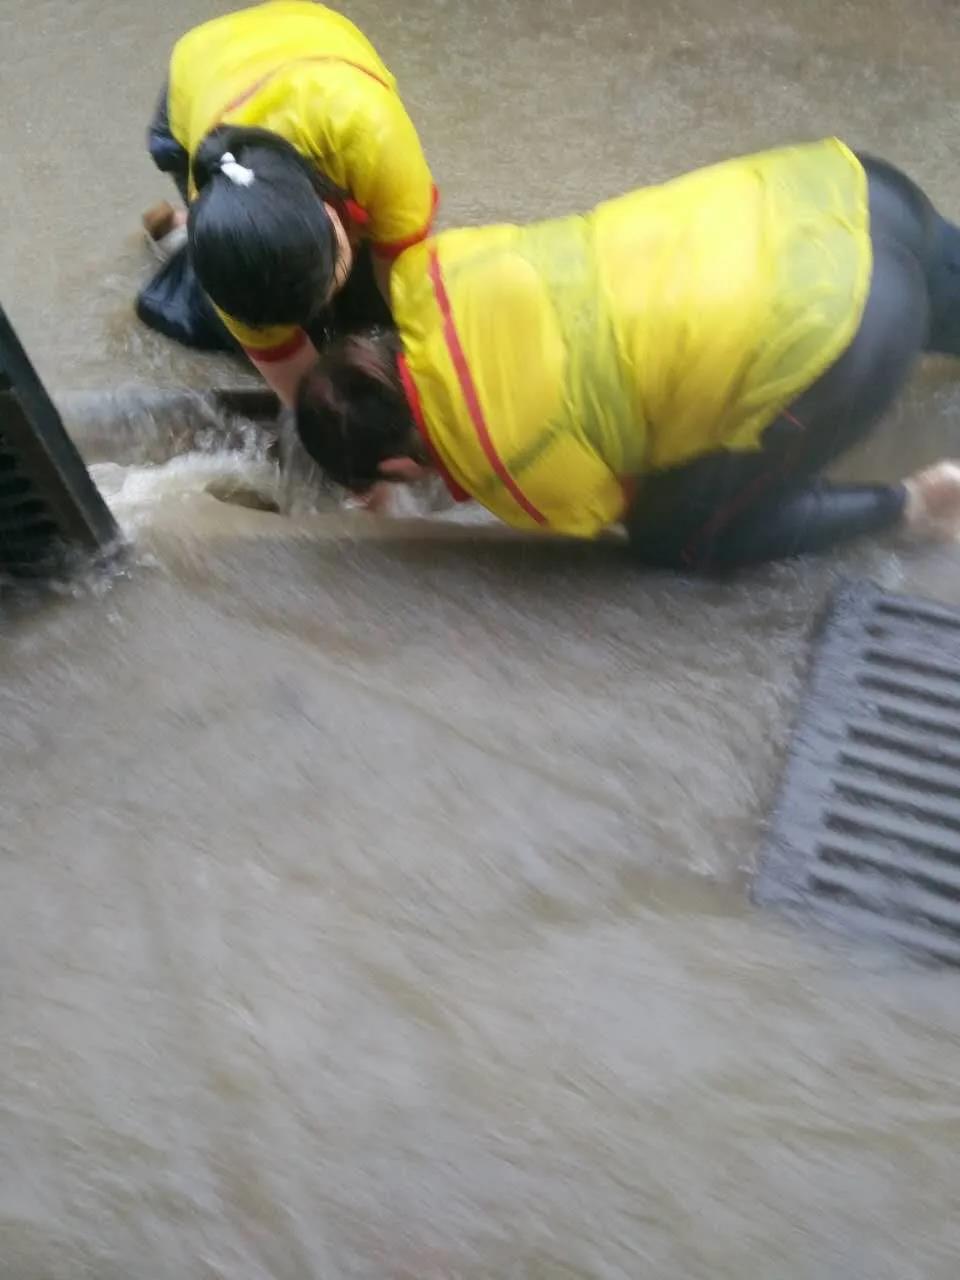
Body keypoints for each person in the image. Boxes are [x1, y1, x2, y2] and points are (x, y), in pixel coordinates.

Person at [294, 139, 960, 570]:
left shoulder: (513, 473)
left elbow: (639, 502)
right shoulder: (433, 273)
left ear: (396, 463)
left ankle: (915, 503)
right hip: (837, 188)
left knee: (682, 537)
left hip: (848, 325)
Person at [141, 0, 438, 405]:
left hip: (310, 33)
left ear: (336, 218)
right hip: (190, 92)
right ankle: (186, 236)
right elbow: (299, 391)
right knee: (253, 311)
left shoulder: (375, 139)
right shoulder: (217, 181)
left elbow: (408, 289)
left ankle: (183, 230)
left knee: (373, 312)